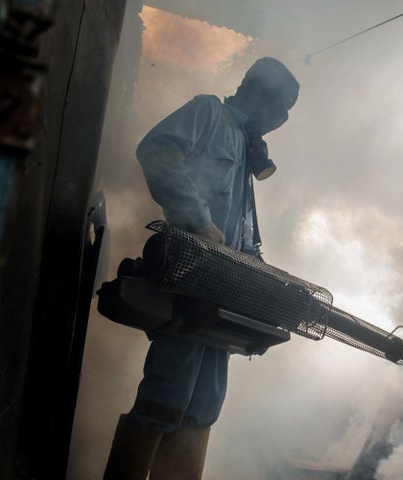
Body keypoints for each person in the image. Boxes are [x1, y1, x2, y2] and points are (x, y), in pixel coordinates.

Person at [103, 57, 300, 480]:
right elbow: (156, 149)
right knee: (165, 396)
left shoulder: (247, 150)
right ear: (258, 92)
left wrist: (259, 276)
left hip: (223, 293)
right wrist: (197, 219)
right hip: (190, 281)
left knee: (205, 405)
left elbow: (241, 230)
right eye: (282, 108)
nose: (281, 120)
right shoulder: (209, 112)